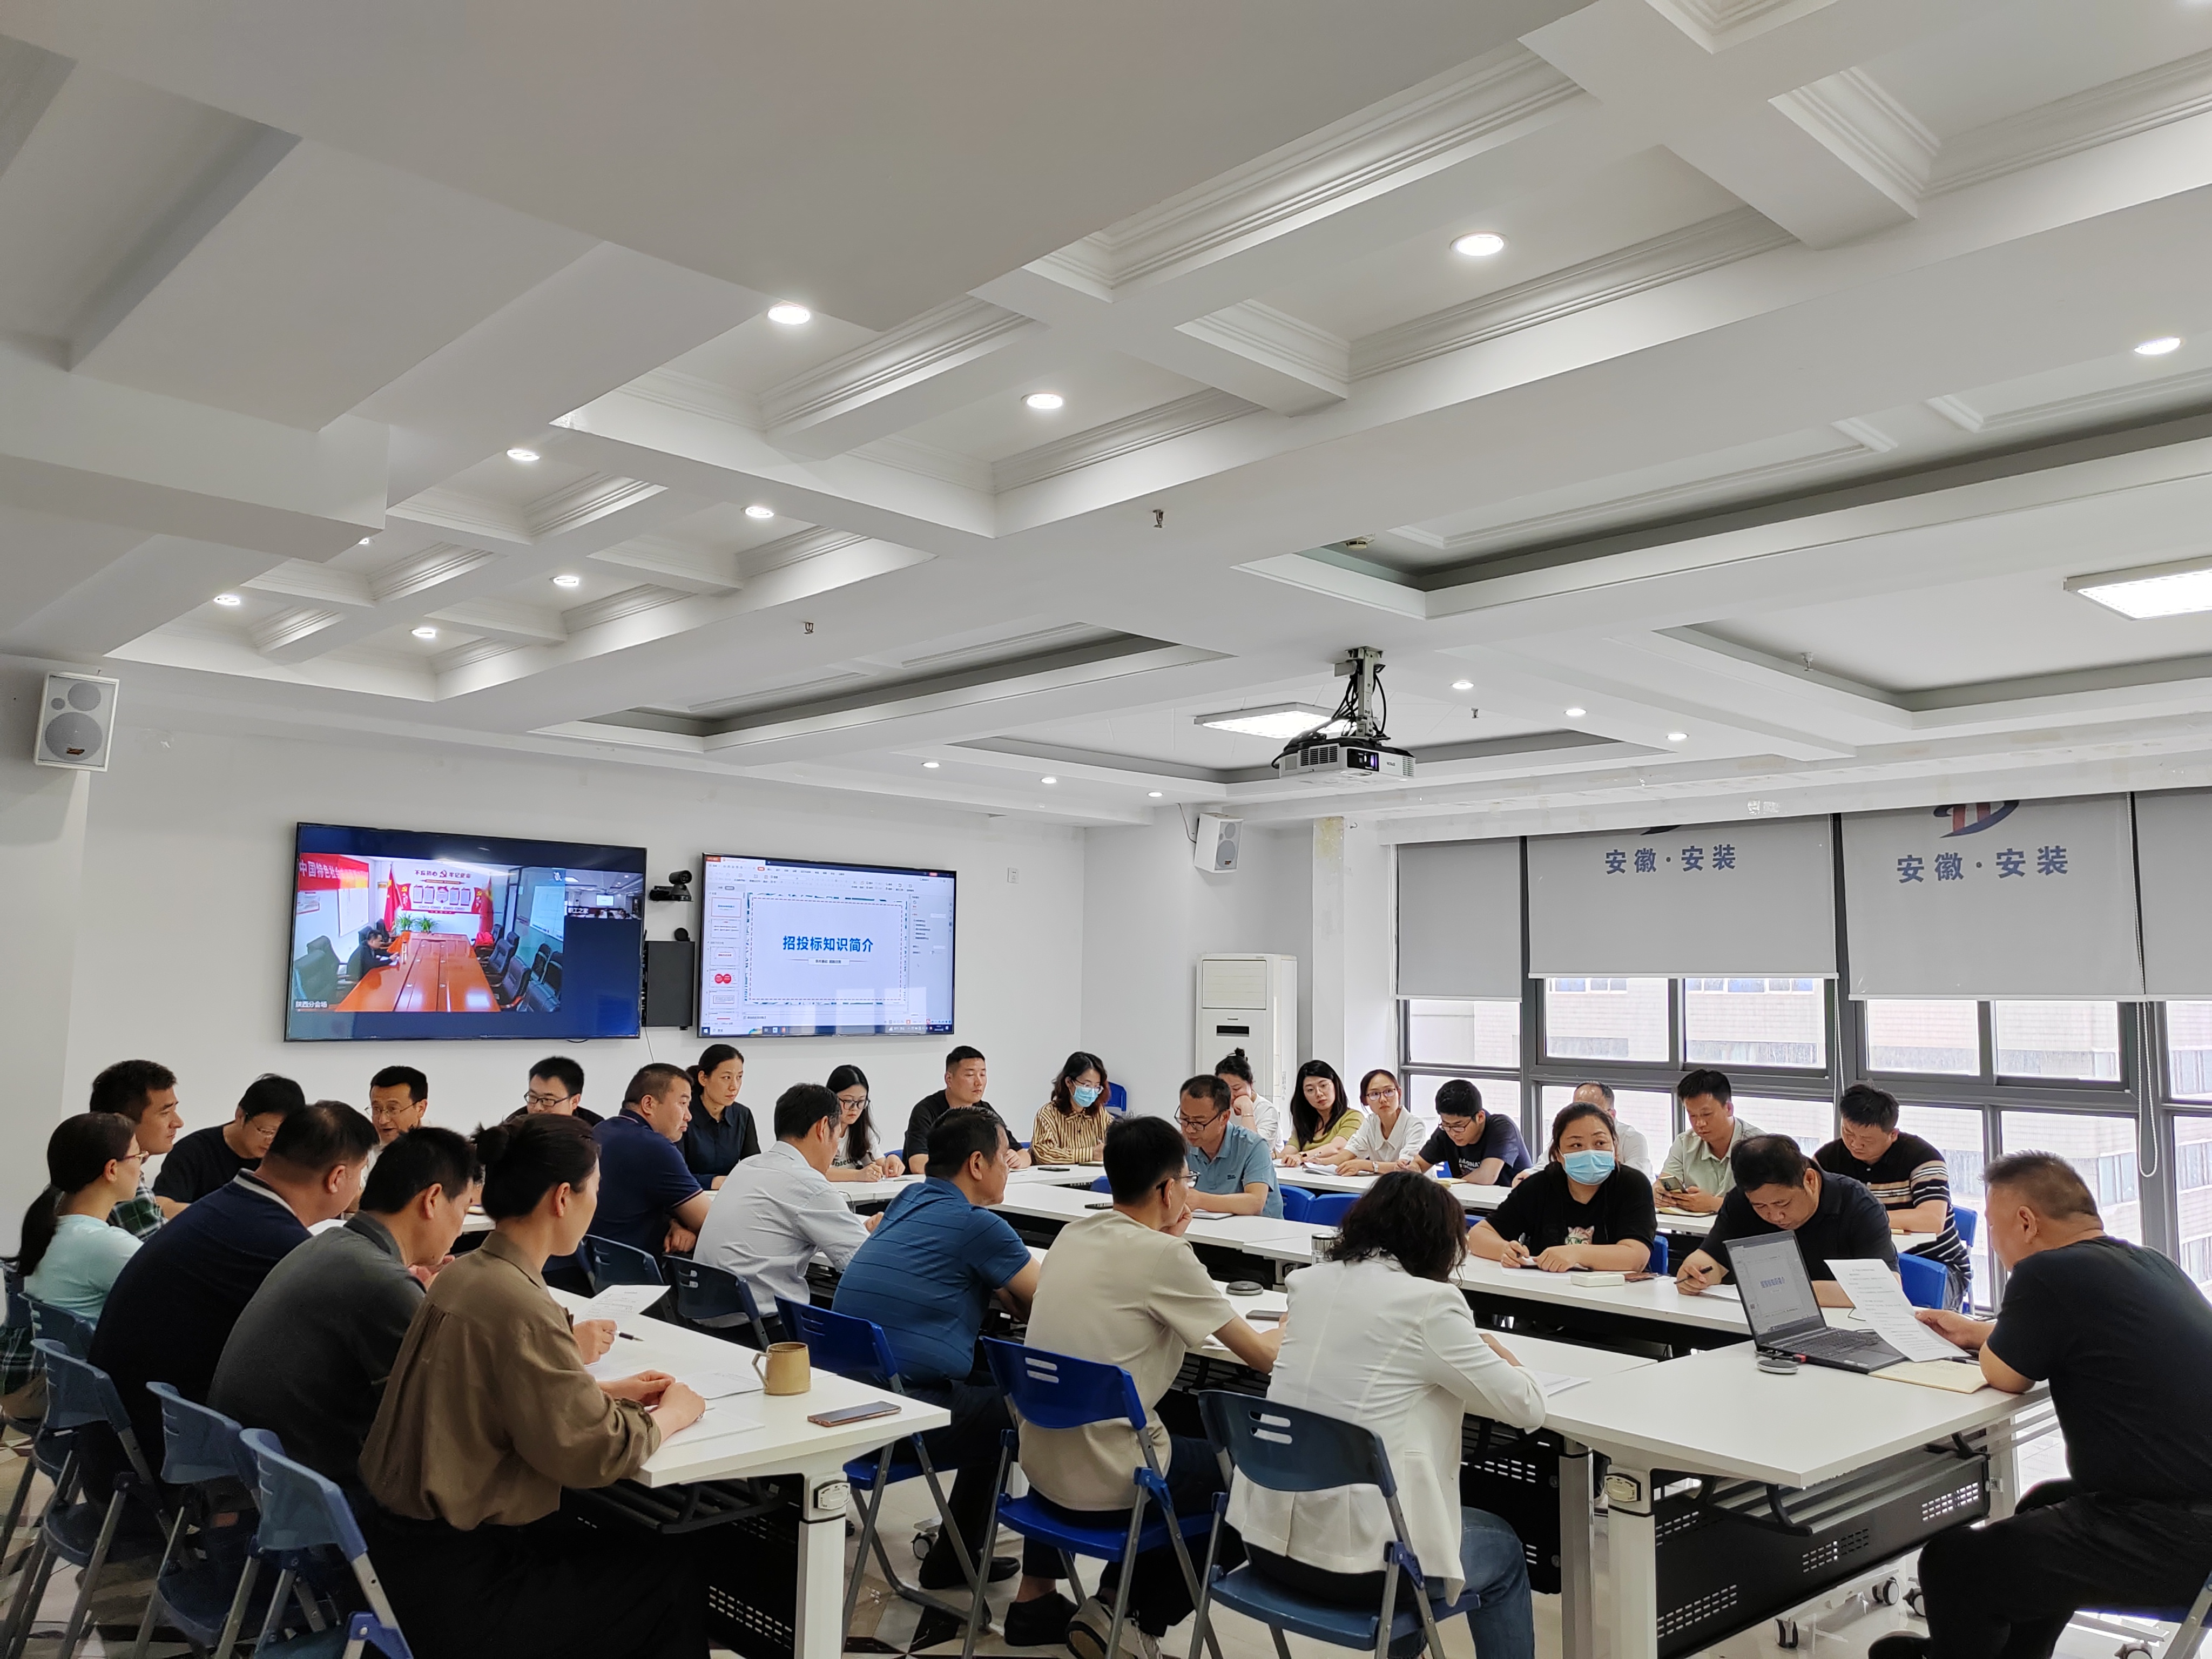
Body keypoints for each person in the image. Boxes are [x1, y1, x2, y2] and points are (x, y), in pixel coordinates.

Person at [359, 1115, 708, 1659]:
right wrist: (674, 1414)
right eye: (595, 1189)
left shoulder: (467, 1273)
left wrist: (603, 1394)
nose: (598, 1203)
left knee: (624, 1546)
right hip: (463, 1589)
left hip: (404, 1557)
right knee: (668, 1574)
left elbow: (495, 1397)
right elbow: (595, 1450)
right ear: (563, 1198)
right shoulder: (518, 1302)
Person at [1868, 1152, 2212, 1659]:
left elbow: (2005, 1375)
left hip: (2177, 1537)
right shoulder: (2149, 1263)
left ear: (2026, 1222)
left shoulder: (2046, 1273)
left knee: (1952, 1563)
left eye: (1994, 1226)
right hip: (2185, 1510)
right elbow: (2076, 1334)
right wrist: (1982, 1332)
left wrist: (1990, 1343)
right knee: (2042, 1504)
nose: (1993, 1242)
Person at [1230, 1174, 1541, 1659]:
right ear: (1441, 1243)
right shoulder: (1431, 1303)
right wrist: (1504, 1358)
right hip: (1373, 1571)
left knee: (1398, 1503)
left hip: (1267, 1548)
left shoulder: (1308, 1284)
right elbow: (1526, 1407)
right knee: (1502, 1549)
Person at [1021, 1116, 1285, 1658]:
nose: (1188, 1190)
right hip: (1112, 1473)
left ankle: (1110, 1604)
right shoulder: (1166, 1258)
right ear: (1167, 1190)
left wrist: (1165, 1239)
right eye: (1186, 1180)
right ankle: (1137, 1620)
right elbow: (1263, 1358)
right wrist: (1295, 1318)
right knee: (1258, 1482)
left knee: (1187, 1423)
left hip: (1041, 1464)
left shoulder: (1073, 1234)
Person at [833, 1108, 1047, 1606]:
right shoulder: (979, 1226)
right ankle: (1036, 1591)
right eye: (1003, 1158)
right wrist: (1007, 1288)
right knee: (1034, 1410)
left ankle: (956, 1556)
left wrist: (1003, 1287)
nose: (1008, 1167)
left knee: (993, 1394)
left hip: (845, 1399)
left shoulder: (908, 1199)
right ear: (977, 1164)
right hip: (902, 1410)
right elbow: (1050, 1302)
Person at [92, 1101, 377, 1465]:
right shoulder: (278, 1243)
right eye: (359, 1175)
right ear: (337, 1178)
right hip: (167, 1453)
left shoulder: (225, 1205)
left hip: (121, 1435)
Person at [211, 1128, 480, 1489]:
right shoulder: (382, 1282)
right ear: (432, 1199)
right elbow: (441, 1419)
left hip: (256, 1474)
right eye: (463, 1208)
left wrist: (412, 1296)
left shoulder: (331, 1243)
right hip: (313, 1487)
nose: (460, 1229)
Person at [696, 1083, 875, 1316]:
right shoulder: (809, 1185)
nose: (837, 1149)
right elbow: (866, 1265)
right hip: (761, 1325)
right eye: (837, 1132)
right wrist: (885, 1235)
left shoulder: (747, 1167)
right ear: (823, 1128)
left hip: (704, 1314)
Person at [1674, 1135, 1897, 1307]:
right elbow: (1711, 1258)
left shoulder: (1858, 1205)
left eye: (1783, 1203)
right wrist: (1695, 1273)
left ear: (1809, 1180)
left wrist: (1787, 1291)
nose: (1774, 1216)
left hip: (1843, 1328)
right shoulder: (1741, 1201)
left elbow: (1888, 1288)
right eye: (1760, 1207)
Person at [1815, 1083, 1972, 1310]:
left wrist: (1867, 1220)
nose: (1855, 1144)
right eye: (1848, 1133)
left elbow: (1932, 1220)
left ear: (1893, 1134)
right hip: (1862, 1265)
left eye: (1867, 1140)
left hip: (1934, 1264)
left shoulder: (1922, 1157)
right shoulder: (1828, 1159)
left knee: (1903, 1313)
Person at [1468, 1100, 1656, 1272]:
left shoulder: (1633, 1185)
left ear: (1615, 1147)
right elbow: (1479, 1235)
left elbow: (1636, 1257)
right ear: (1557, 1154)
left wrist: (1577, 1253)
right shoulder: (1540, 1185)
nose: (1590, 1152)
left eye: (1600, 1143)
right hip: (1547, 1291)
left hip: (1616, 1294)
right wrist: (1505, 1250)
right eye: (1576, 1145)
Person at [14, 1114, 144, 1323]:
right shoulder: (104, 1245)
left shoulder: (51, 1229)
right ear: (112, 1170)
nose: (141, 1166)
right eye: (139, 1156)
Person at [590, 1064, 711, 1257]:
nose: (688, 1116)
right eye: (683, 1103)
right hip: (632, 1265)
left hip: (595, 1260)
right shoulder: (654, 1146)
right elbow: (708, 1221)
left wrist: (674, 1224)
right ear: (649, 1104)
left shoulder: (602, 1129)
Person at [153, 1073, 306, 1206]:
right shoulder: (193, 1152)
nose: (273, 1141)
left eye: (284, 1134)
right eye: (267, 1132)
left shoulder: (287, 1157)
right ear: (240, 1116)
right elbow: (163, 1207)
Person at [89, 1057, 185, 1231]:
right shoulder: (117, 1179)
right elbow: (161, 1247)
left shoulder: (88, 1163)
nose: (178, 1123)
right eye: (165, 1113)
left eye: (175, 1110)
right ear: (122, 1121)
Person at [905, 1046, 1031, 1172]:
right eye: (970, 1075)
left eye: (983, 1074)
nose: (979, 1082)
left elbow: (1024, 1155)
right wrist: (970, 1167)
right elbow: (918, 1164)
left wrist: (1017, 1160)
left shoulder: (985, 1111)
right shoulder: (926, 1111)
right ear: (949, 1079)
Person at [1655, 1068, 1759, 1215]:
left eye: (1707, 1114)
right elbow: (1664, 1182)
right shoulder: (1685, 1142)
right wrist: (1660, 1194)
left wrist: (1714, 1204)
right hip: (1692, 1227)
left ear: (1729, 1108)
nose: (1700, 1124)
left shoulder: (1758, 1147)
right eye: (1692, 1116)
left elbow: (1771, 1205)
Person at [1178, 1075, 1284, 1218]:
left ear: (1224, 1118)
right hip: (1206, 1227)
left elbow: (1255, 1203)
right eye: (1184, 1120)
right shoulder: (1181, 1145)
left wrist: (1200, 1200)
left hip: (1258, 1229)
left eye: (1199, 1122)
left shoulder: (1253, 1146)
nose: (1190, 1129)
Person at [1509, 1083, 1651, 1181]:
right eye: (1577, 1109)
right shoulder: (1568, 1135)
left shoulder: (1632, 1138)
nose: (1583, 1117)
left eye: (1600, 1143)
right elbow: (1545, 1165)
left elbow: (1636, 1178)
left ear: (1611, 1115)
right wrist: (1528, 1176)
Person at [1401, 1080, 1530, 1184]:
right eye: (1446, 1124)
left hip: (1510, 1203)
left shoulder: (1502, 1128)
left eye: (1459, 1126)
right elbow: (1419, 1163)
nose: (1453, 1133)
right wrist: (1412, 1169)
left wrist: (1450, 1184)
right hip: (1469, 1203)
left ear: (1480, 1117)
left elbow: (1487, 1176)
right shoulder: (1445, 1130)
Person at [678, 1043, 760, 1188]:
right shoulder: (683, 1114)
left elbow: (754, 1168)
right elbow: (674, 1174)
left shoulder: (743, 1115)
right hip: (688, 1196)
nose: (734, 1086)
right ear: (703, 1078)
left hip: (728, 1195)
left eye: (739, 1077)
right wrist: (714, 1181)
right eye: (727, 1078)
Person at [1329, 1069, 1428, 1174]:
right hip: (1384, 1183)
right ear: (1365, 1100)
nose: (1383, 1099)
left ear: (1399, 1093)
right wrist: (1318, 1162)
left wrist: (1366, 1165)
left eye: (1389, 1092)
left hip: (1416, 1183)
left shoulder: (1415, 1126)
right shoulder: (1370, 1123)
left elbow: (1406, 1168)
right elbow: (1345, 1156)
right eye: (1375, 1094)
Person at [1028, 1051, 1112, 1165]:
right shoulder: (1048, 1114)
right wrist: (1090, 1154)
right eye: (1087, 1085)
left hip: (1088, 1175)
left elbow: (1116, 1141)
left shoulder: (1099, 1113)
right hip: (1056, 1176)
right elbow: (1045, 1155)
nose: (1092, 1092)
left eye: (1097, 1087)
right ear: (1069, 1082)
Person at [825, 1064, 903, 1181]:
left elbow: (879, 1162)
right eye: (848, 1101)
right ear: (832, 1098)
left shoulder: (863, 1130)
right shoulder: (821, 1130)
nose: (855, 1108)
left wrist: (891, 1162)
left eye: (861, 1101)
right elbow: (819, 1172)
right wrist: (858, 1175)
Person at [1279, 1061, 1363, 1164]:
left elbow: (1337, 1148)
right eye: (1310, 1090)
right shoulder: (1306, 1121)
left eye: (1323, 1085)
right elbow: (1288, 1152)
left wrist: (1301, 1156)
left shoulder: (1353, 1117)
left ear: (1335, 1085)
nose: (1319, 1094)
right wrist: (1274, 1156)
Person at [1215, 1049, 1279, 1149]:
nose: (1231, 1096)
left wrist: (1247, 1108)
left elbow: (1255, 1150)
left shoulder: (1267, 1111)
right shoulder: (1220, 1106)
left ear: (1251, 1084)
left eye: (1236, 1089)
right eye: (1225, 1090)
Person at [521, 1056, 599, 1126]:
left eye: (548, 1100)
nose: (537, 1108)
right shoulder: (516, 1130)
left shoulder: (597, 1132)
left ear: (574, 1101)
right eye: (533, 1097)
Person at [367, 1065, 430, 1145]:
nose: (382, 1121)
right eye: (377, 1109)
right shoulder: (361, 1148)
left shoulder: (439, 1149)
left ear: (421, 1109)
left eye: (393, 1109)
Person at [346, 921, 397, 985]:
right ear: (372, 941)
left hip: (366, 972)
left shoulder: (370, 945)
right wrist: (390, 960)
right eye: (379, 941)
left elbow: (382, 953)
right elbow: (373, 964)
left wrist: (395, 954)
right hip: (358, 978)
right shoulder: (364, 949)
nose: (381, 943)